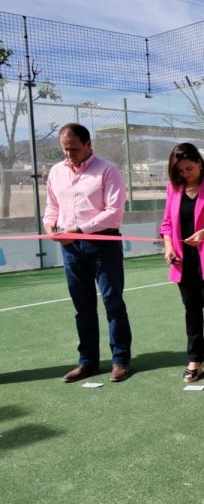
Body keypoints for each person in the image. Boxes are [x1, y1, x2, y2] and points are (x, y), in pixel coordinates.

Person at [43, 123, 133, 383]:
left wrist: (79, 229)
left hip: (103, 245)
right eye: (64, 149)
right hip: (70, 248)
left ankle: (120, 360)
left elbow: (114, 213)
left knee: (112, 303)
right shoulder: (56, 171)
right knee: (82, 307)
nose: (68, 154)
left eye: (74, 148)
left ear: (88, 144)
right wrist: (51, 227)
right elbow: (52, 206)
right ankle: (88, 362)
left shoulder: (108, 170)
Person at [160, 143, 204, 384]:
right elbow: (167, 224)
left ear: (200, 163)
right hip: (182, 259)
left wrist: (203, 233)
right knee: (191, 308)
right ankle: (194, 360)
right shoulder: (173, 188)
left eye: (189, 168)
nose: (185, 174)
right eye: (180, 171)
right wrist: (169, 247)